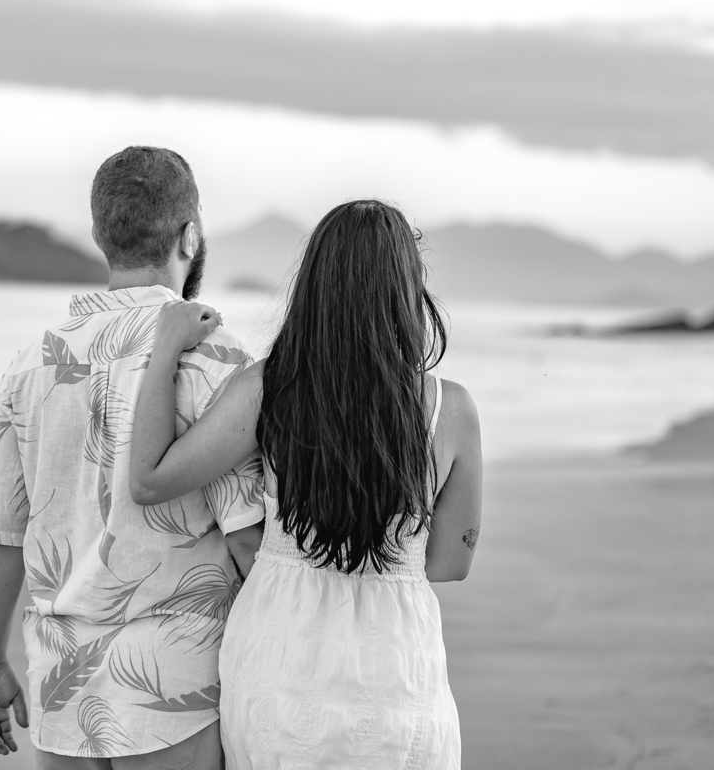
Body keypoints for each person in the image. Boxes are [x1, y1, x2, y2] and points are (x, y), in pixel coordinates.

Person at [129, 199, 483, 768]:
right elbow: (450, 562)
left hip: (279, 655)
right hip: (396, 667)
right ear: (406, 290)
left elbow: (149, 480)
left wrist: (165, 350)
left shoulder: (270, 388)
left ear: (314, 283)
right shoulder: (451, 409)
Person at [0, 146, 266, 768]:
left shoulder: (33, 363)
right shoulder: (214, 357)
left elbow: (3, 530)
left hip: (60, 680)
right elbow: (247, 538)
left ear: (101, 236)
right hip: (176, 677)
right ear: (190, 236)